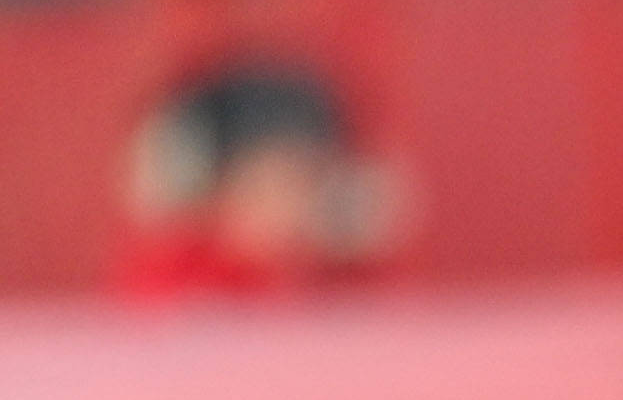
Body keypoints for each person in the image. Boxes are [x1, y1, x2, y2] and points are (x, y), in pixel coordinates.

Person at [116, 58, 409, 298]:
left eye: (306, 182)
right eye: (266, 187)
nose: (289, 209)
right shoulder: (172, 279)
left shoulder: (346, 278)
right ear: (206, 182)